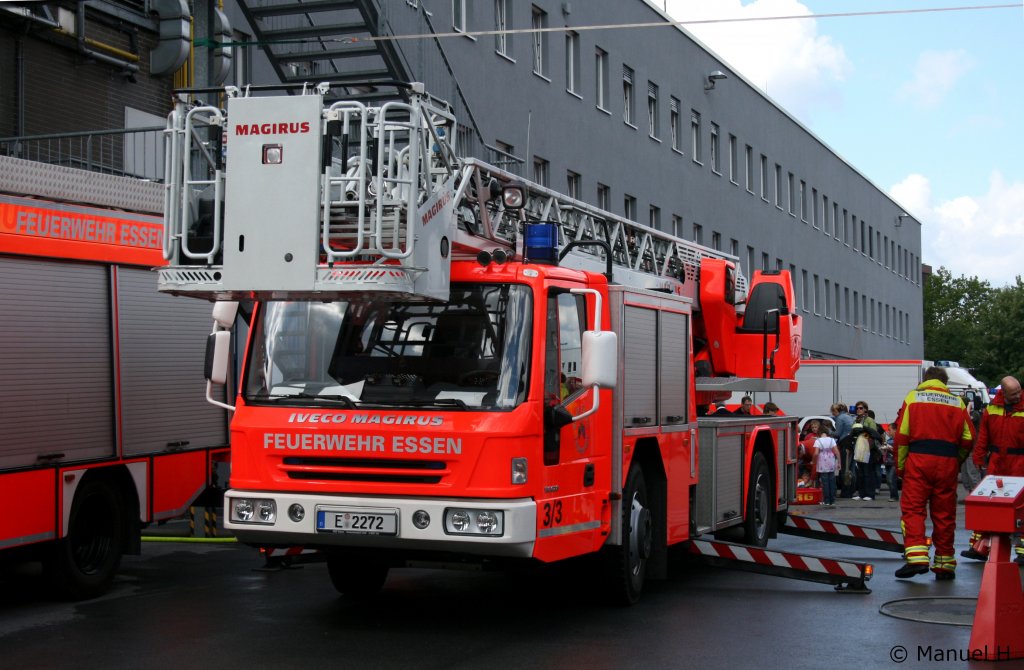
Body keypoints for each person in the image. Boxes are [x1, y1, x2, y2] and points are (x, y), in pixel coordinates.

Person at [893, 366, 975, 580]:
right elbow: (968, 438)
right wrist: (955, 460)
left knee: (913, 510)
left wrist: (901, 467)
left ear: (925, 380)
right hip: (947, 462)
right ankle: (945, 563)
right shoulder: (957, 402)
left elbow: (902, 436)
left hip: (919, 461)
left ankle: (918, 558)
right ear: (944, 382)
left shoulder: (914, 397)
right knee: (945, 514)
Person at [962, 376, 1024, 564]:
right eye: (1013, 393)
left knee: (1021, 507)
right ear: (1003, 393)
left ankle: (1022, 550)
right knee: (989, 503)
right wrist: (978, 458)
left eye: (1019, 391)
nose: (1018, 396)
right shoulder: (992, 409)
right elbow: (984, 437)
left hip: (1020, 462)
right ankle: (981, 547)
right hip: (997, 463)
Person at [850, 401, 881, 501]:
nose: (858, 410)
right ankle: (862, 493)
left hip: (868, 448)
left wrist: (864, 430)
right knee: (860, 472)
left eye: (861, 408)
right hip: (858, 448)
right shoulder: (856, 420)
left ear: (865, 409)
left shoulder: (869, 420)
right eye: (857, 408)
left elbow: (874, 434)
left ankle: (870, 494)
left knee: (868, 472)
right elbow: (852, 434)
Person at [814, 423, 840, 506]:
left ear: (819, 433)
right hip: (831, 461)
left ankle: (826, 500)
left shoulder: (818, 441)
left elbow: (816, 453)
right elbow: (836, 452)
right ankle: (832, 500)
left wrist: (813, 461)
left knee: (825, 482)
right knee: (832, 481)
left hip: (822, 462)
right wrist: (839, 462)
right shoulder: (832, 440)